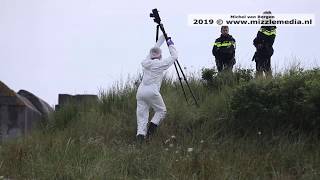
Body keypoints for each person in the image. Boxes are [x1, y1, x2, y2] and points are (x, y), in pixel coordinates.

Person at [136, 33, 178, 143]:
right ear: (160, 56)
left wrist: (162, 38)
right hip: (152, 91)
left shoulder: (146, 62)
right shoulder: (161, 63)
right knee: (161, 111)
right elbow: (174, 56)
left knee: (142, 116)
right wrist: (170, 44)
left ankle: (140, 137)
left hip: (140, 92)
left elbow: (155, 48)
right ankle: (150, 132)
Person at [253, 11, 277, 77]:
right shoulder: (262, 27)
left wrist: (262, 44)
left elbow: (271, 41)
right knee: (258, 70)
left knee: (267, 69)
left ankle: (269, 84)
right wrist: (256, 43)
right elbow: (256, 39)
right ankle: (259, 85)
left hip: (266, 51)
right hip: (259, 51)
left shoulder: (272, 27)